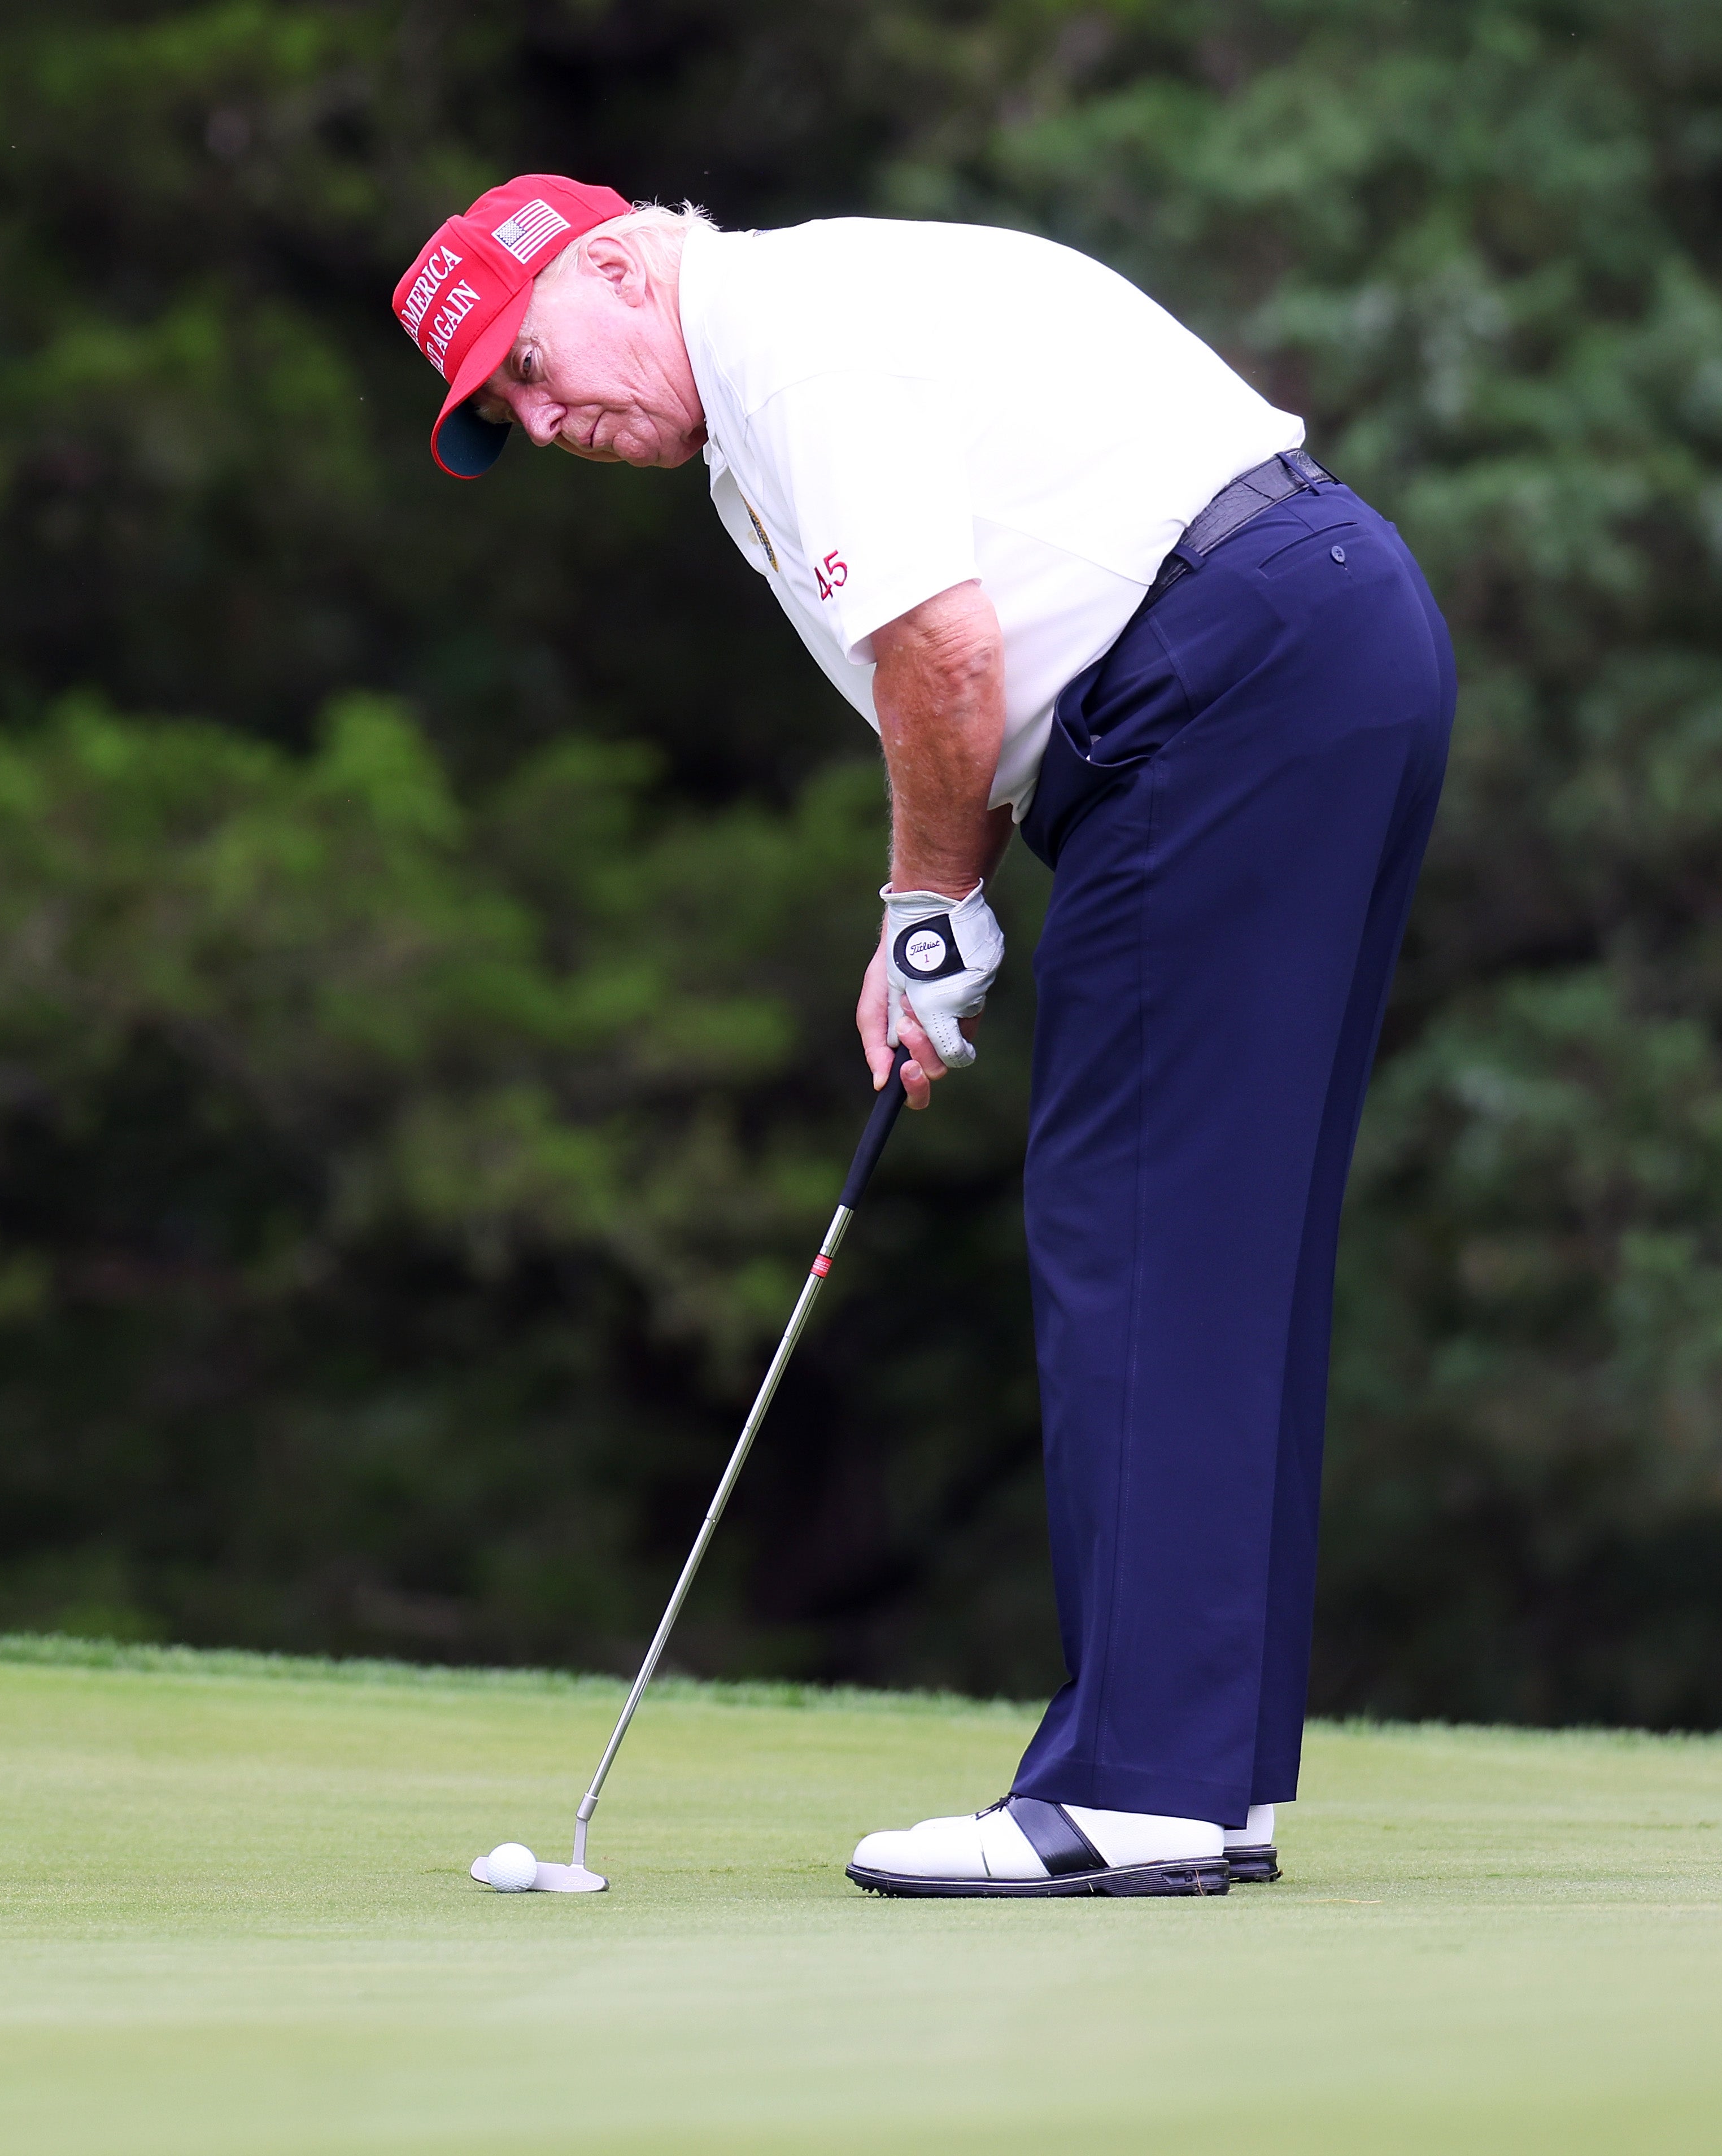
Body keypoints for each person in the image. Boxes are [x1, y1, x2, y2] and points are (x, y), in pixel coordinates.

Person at [387, 176, 1455, 1896]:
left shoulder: (779, 344)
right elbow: (960, 676)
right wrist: (933, 912)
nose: (542, 415)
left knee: (1137, 1228)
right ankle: (1207, 1774)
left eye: (527, 363)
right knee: (1216, 1242)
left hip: (1225, 681)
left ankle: (1142, 1786)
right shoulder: (764, 379)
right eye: (502, 414)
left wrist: (925, 902)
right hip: (1310, 645)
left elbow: (945, 653)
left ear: (609, 260)